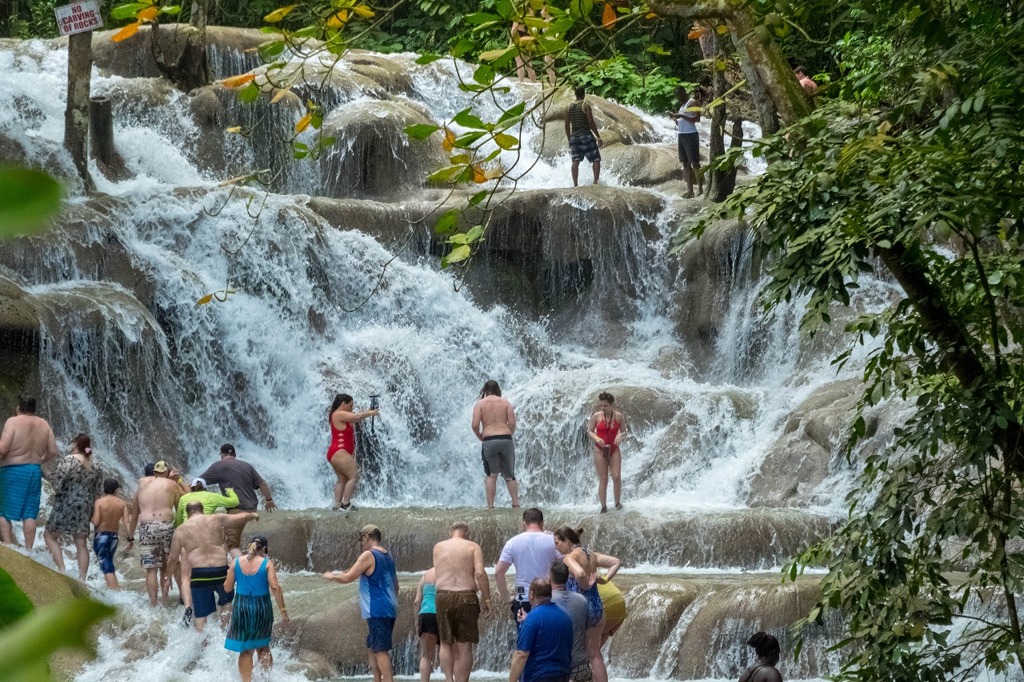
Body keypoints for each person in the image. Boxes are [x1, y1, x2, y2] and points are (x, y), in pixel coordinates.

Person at [322, 524, 399, 682]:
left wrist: (332, 576)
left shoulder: (368, 555)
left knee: (380, 650)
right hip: (389, 608)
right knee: (372, 646)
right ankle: (376, 679)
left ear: (367, 537)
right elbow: (396, 585)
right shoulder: (388, 556)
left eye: (362, 540)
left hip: (376, 609)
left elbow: (348, 577)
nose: (362, 544)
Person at [167, 501, 258, 631]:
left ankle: (203, 641)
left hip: (199, 574)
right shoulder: (216, 519)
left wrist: (168, 578)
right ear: (202, 510)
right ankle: (224, 631)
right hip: (221, 570)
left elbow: (172, 559)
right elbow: (240, 518)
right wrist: (252, 515)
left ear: (187, 513)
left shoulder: (180, 530)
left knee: (201, 614)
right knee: (226, 602)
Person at [554, 527, 620, 682]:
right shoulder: (592, 554)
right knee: (595, 654)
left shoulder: (569, 557)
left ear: (567, 541)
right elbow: (616, 562)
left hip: (579, 611)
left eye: (557, 543)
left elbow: (580, 574)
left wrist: (585, 585)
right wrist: (605, 579)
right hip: (597, 608)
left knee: (572, 654)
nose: (555, 547)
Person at [224, 535, 289, 682]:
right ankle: (266, 679)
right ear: (265, 548)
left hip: (241, 607)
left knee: (246, 649)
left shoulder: (235, 562)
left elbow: (227, 588)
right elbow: (275, 587)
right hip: (262, 607)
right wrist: (283, 611)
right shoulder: (267, 563)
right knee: (263, 646)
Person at [433, 522, 491, 682]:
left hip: (443, 596)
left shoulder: (438, 547)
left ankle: (448, 679)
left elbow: (437, 572)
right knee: (465, 645)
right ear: (467, 532)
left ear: (450, 531)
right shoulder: (473, 547)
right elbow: (480, 574)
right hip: (466, 596)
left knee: (445, 642)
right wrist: (487, 599)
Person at [198, 443, 276, 557]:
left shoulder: (219, 466)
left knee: (232, 545)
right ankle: (232, 566)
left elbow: (199, 482)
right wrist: (269, 500)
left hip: (237, 510)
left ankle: (242, 568)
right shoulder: (247, 466)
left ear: (222, 455)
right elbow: (262, 483)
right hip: (252, 508)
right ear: (234, 454)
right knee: (224, 539)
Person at [0, 395, 58, 549]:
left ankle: (7, 544)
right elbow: (53, 450)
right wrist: (39, 460)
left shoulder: (12, 421)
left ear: (18, 407)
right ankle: (28, 550)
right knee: (29, 513)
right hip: (34, 471)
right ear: (34, 409)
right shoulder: (44, 424)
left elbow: (3, 448)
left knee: (3, 510)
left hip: (12, 471)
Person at [43, 433, 103, 579]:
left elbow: (57, 481)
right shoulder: (96, 465)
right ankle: (82, 579)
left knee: (50, 535)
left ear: (76, 444)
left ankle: (62, 570)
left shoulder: (69, 460)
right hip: (85, 505)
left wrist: (43, 473)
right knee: (81, 542)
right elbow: (98, 491)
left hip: (67, 502)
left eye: (72, 443)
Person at [128, 460, 183, 606]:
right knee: (172, 564)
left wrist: (130, 536)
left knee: (150, 569)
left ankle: (154, 603)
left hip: (147, 527)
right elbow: (179, 510)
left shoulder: (141, 485)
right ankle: (176, 598)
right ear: (166, 472)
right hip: (167, 526)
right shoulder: (172, 485)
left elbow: (134, 516)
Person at [495, 507, 561, 628]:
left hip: (522, 596)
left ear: (523, 523)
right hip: (547, 596)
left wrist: (506, 597)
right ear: (542, 523)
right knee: (545, 638)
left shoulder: (512, 542)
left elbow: (499, 572)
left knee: (524, 639)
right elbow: (566, 563)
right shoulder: (553, 541)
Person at [508, 578, 573, 682]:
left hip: (539, 675)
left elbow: (521, 654)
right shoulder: (565, 614)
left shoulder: (532, 619)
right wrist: (526, 621)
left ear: (531, 594)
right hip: (562, 673)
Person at [326, 394, 380, 512]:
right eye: (350, 405)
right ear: (343, 404)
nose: (352, 408)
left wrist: (367, 411)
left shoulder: (338, 415)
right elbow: (357, 417)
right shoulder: (338, 413)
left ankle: (337, 505)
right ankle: (346, 504)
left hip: (335, 452)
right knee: (354, 476)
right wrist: (370, 413)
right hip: (340, 452)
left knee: (342, 480)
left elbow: (357, 417)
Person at [472, 380, 519, 509]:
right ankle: (516, 504)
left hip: (489, 440)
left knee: (491, 475)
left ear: (485, 391)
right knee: (510, 475)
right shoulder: (505, 403)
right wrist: (509, 434)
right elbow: (512, 423)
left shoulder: (480, 404)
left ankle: (491, 507)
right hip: (506, 439)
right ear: (498, 390)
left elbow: (475, 425)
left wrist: (481, 437)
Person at [549, 561, 592, 682]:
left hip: (555, 666)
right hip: (580, 664)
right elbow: (588, 633)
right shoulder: (581, 600)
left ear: (549, 578)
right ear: (567, 577)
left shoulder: (546, 602)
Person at [586, 392, 627, 513]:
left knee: (616, 476)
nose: (603, 408)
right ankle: (603, 506)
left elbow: (625, 432)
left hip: (614, 449)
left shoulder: (619, 416)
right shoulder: (596, 416)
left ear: (611, 405)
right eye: (601, 406)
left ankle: (618, 503)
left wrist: (620, 435)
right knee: (603, 479)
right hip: (600, 449)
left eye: (605, 406)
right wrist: (597, 439)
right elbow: (589, 431)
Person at [92, 478, 129, 589]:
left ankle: (114, 591)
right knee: (109, 562)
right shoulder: (122, 504)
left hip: (101, 536)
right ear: (116, 490)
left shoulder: (99, 502)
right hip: (114, 537)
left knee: (105, 564)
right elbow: (127, 522)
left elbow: (96, 521)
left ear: (104, 488)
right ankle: (116, 587)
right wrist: (130, 538)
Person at [667, 86, 703, 198]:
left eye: (679, 95)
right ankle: (690, 191)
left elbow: (697, 119)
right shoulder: (682, 106)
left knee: (695, 163)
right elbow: (682, 123)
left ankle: (700, 189)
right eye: (676, 96)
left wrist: (681, 115)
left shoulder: (692, 102)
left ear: (683, 92)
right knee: (685, 163)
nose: (678, 98)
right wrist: (675, 119)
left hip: (691, 135)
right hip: (682, 135)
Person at [564, 86, 603, 187]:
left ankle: (575, 184)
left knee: (575, 160)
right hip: (585, 135)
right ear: (584, 94)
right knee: (595, 158)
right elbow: (590, 122)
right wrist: (598, 136)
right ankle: (595, 182)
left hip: (574, 137)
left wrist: (569, 138)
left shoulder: (568, 107)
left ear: (575, 94)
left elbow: (567, 124)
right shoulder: (585, 105)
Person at [174, 477, 239, 526]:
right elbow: (234, 502)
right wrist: (230, 491)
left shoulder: (183, 498)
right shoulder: (212, 496)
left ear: (191, 488)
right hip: (206, 527)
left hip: (187, 528)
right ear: (206, 488)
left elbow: (178, 522)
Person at [415, 567, 439, 682]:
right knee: (447, 650)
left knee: (425, 655)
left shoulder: (425, 576)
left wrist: (417, 623)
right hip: (441, 614)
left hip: (425, 615)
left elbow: (417, 601)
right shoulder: (447, 572)